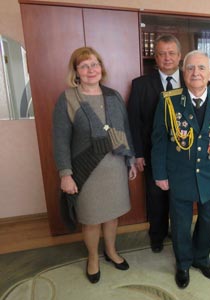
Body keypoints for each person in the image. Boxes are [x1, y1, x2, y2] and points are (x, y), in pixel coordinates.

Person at [151, 50, 210, 289]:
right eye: (190, 68)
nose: (196, 73)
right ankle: (183, 263)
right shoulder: (168, 100)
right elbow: (158, 140)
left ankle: (201, 259)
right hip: (179, 174)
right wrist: (160, 174)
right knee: (180, 223)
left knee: (208, 220)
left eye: (201, 68)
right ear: (183, 72)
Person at [53, 47, 137, 284]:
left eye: (94, 64)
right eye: (84, 66)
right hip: (86, 172)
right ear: (76, 72)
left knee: (111, 216)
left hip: (115, 168)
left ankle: (111, 252)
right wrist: (65, 174)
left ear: (101, 67)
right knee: (91, 219)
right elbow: (60, 140)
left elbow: (124, 130)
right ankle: (93, 258)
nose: (91, 70)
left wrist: (129, 159)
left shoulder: (114, 95)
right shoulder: (68, 98)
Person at [127, 34, 185, 253]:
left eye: (171, 53)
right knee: (156, 196)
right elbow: (133, 121)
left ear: (179, 56)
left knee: (180, 197)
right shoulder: (141, 84)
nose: (167, 58)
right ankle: (157, 235)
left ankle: (179, 233)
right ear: (155, 57)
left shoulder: (192, 79)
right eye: (161, 53)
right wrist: (138, 154)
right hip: (153, 154)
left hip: (184, 153)